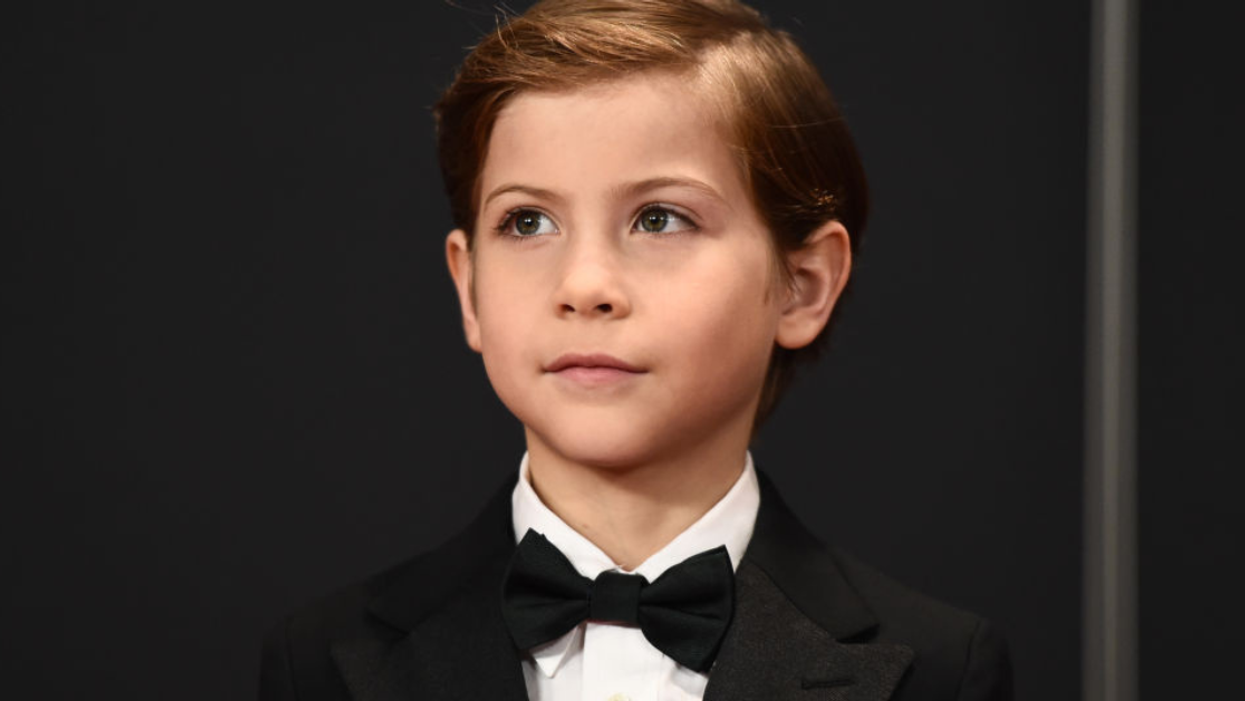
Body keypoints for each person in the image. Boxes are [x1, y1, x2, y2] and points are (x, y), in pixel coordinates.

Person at [259, 1, 1013, 699]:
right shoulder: (323, 659)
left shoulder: (941, 668)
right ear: (468, 289)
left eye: (659, 218)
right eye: (526, 222)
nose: (584, 285)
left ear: (802, 284)